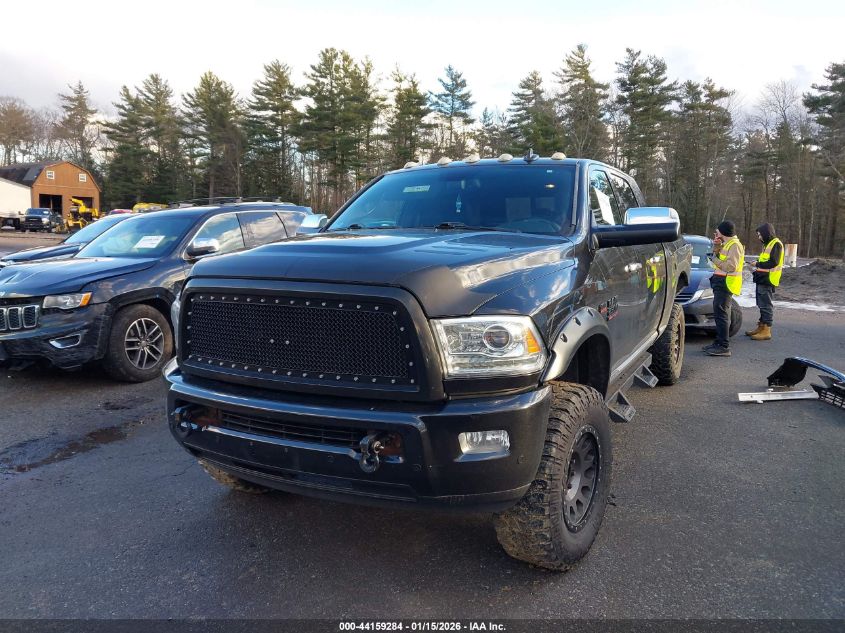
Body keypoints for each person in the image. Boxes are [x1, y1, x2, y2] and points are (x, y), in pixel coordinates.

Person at [703, 220, 745, 357]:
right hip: (721, 282)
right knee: (719, 314)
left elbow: (730, 266)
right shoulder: (726, 244)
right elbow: (720, 258)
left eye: (718, 231)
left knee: (722, 315)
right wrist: (716, 246)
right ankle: (719, 342)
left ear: (724, 232)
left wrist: (714, 259)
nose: (716, 233)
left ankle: (723, 346)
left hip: (726, 283)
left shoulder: (735, 245)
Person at [746, 222, 784, 341]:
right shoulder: (768, 244)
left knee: (766, 305)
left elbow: (773, 262)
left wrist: (757, 263)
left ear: (766, 233)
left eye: (760, 235)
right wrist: (757, 263)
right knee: (761, 304)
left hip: (768, 279)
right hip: (762, 278)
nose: (759, 237)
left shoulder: (776, 244)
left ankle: (766, 330)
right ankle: (761, 327)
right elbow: (766, 260)